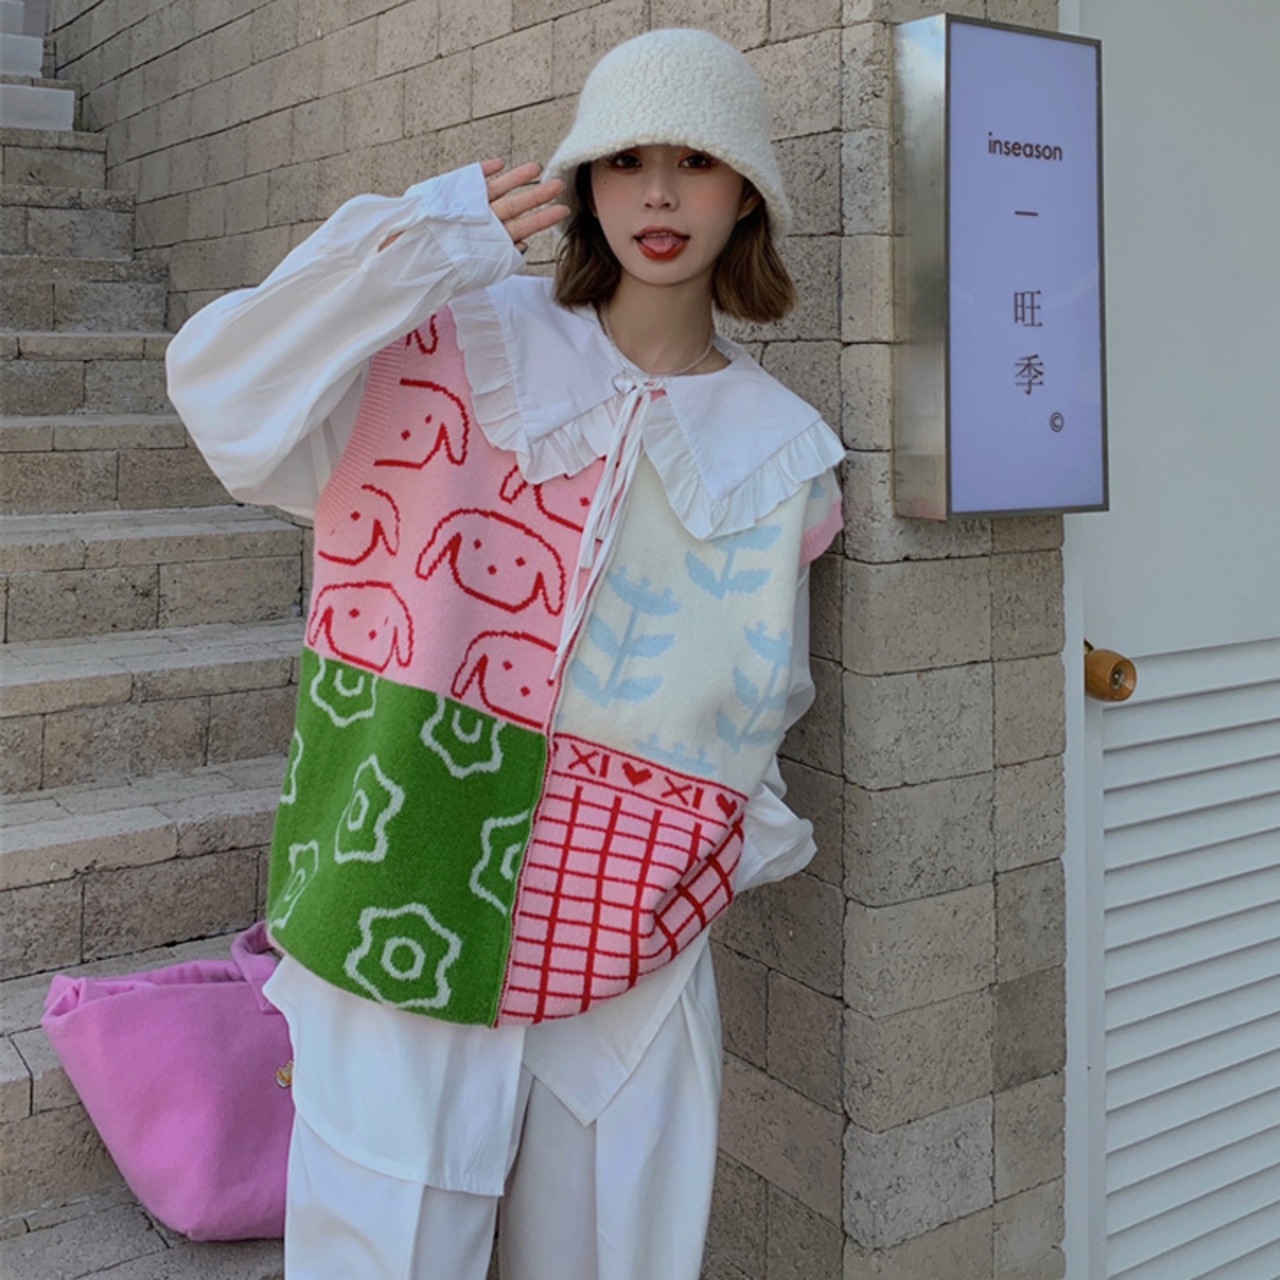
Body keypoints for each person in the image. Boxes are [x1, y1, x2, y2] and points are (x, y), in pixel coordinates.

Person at [166, 26, 844, 1280]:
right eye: (624, 158)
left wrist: (704, 857)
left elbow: (764, 695)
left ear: (745, 191)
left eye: (694, 161)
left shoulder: (779, 449)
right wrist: (414, 247)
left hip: (632, 939)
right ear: (582, 179)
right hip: (401, 891)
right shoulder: (455, 342)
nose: (656, 194)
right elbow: (226, 398)